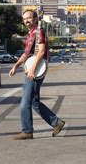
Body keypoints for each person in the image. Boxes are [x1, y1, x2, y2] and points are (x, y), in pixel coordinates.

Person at [9, 10, 65, 140]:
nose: (26, 20)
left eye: (29, 17)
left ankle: (27, 131)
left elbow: (41, 52)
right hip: (32, 70)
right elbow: (26, 55)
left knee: (25, 103)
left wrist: (33, 69)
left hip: (35, 72)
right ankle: (56, 123)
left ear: (35, 19)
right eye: (24, 18)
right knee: (34, 102)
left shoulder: (39, 32)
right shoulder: (31, 34)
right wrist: (15, 66)